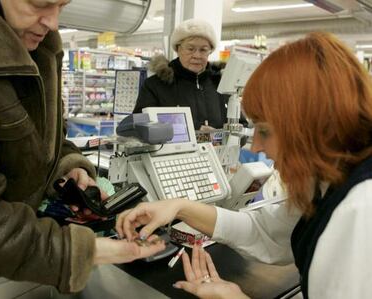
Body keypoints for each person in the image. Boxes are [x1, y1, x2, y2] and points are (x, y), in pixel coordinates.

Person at [116, 32, 372, 298]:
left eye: (264, 131)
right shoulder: (331, 180)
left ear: (311, 126)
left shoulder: (360, 209)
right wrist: (180, 206)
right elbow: (267, 231)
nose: (256, 147)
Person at [0, 0, 165, 293]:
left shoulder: (43, 49)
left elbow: (47, 135)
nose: (53, 23)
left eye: (61, 5)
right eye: (40, 4)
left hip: (22, 257)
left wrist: (69, 166)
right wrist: (83, 251)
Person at [133, 18, 228, 130]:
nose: (197, 55)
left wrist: (230, 134)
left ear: (210, 51)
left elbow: (241, 124)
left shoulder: (220, 84)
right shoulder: (155, 85)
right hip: (169, 148)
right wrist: (195, 129)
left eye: (203, 50)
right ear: (178, 49)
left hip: (217, 148)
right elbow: (141, 123)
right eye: (191, 49)